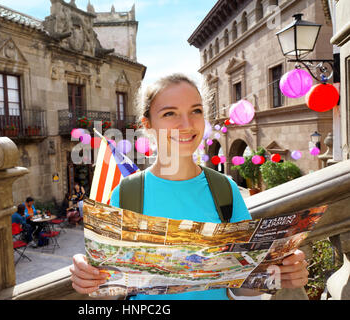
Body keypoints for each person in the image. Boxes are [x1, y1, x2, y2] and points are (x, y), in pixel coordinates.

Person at [70, 73, 309, 300]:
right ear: (148, 124)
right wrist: (87, 277)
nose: (186, 124)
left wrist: (281, 272)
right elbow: (109, 285)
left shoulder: (224, 189)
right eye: (170, 113)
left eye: (196, 111)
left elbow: (243, 285)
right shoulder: (127, 193)